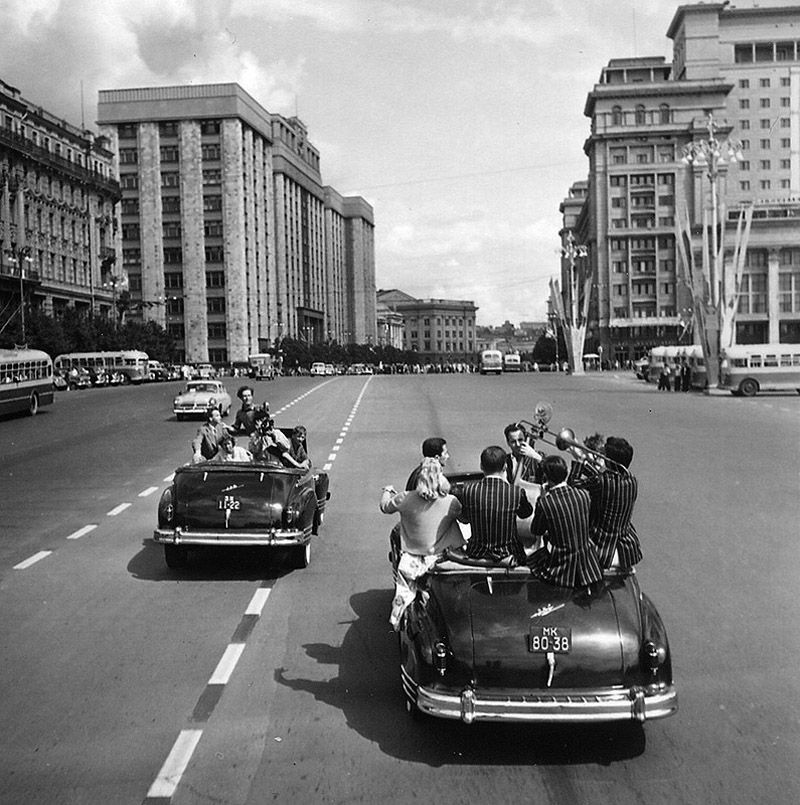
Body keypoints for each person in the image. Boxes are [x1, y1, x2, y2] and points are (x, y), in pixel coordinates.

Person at [381, 457, 464, 629]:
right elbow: (463, 518)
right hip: (440, 558)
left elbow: (384, 507)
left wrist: (388, 491)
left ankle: (399, 613)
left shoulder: (404, 498)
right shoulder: (451, 502)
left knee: (404, 590)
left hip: (411, 558)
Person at [528, 455, 603, 588]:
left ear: (546, 477)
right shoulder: (583, 495)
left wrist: (543, 496)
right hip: (588, 563)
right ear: (566, 473)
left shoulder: (546, 503)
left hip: (562, 566)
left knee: (531, 561)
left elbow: (536, 530)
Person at [454, 445, 532, 564]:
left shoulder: (468, 490)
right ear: (505, 467)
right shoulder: (515, 492)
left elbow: (465, 519)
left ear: (481, 466)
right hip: (508, 553)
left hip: (476, 552)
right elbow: (526, 513)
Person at [574, 436, 643, 569]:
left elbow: (574, 483)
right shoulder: (632, 479)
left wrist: (580, 462)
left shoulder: (601, 481)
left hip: (601, 546)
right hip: (627, 547)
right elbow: (604, 479)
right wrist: (588, 464)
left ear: (610, 461)